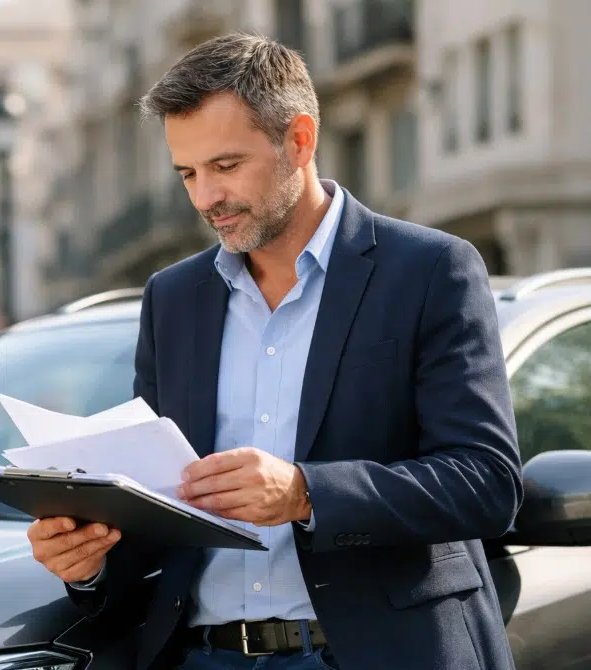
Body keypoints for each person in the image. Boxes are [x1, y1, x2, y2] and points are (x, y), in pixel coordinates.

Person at [26, 33, 522, 670]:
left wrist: (306, 492)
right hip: (201, 657)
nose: (206, 198)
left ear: (300, 140)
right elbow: (156, 501)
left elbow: (486, 483)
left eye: (226, 166)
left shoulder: (431, 271)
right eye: (188, 174)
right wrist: (89, 560)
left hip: (373, 654)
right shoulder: (173, 298)